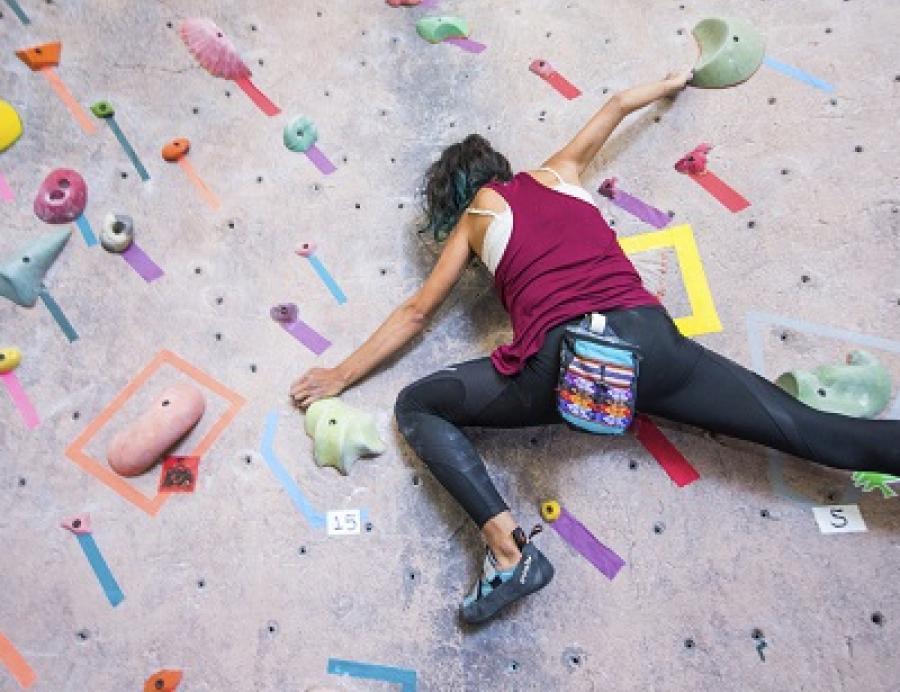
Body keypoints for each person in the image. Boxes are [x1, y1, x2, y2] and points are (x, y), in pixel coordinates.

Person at [290, 69, 900, 625]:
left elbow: (418, 310)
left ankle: (509, 551)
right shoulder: (558, 171)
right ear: (501, 165)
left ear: (457, 195)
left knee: (419, 405)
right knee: (804, 426)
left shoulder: (478, 213)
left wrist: (340, 374)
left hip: (566, 362)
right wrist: (677, 77)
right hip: (652, 346)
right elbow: (615, 105)